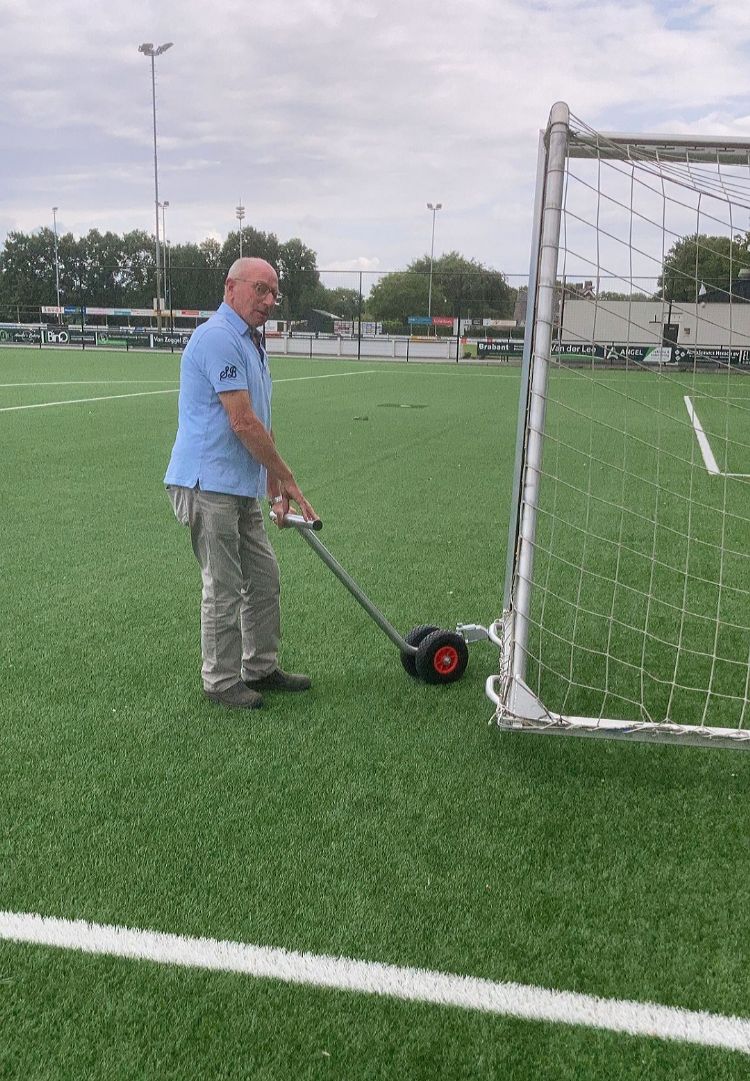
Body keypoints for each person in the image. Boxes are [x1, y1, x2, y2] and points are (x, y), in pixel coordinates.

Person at [164, 256, 318, 710]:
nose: (269, 301)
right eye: (260, 290)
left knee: (263, 577)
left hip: (238, 483)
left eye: (274, 293)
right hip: (205, 481)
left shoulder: (252, 341)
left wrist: (272, 478)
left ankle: (260, 667)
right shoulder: (217, 337)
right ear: (231, 287)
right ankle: (221, 682)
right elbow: (241, 420)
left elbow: (261, 420)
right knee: (224, 585)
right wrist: (286, 475)